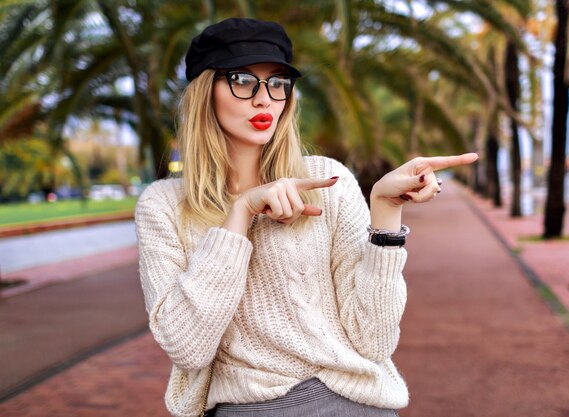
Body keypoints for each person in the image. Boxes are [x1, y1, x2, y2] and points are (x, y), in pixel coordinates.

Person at [135, 17, 477, 417]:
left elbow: (375, 342)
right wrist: (241, 213)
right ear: (203, 93)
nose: (265, 99)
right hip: (249, 408)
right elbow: (187, 347)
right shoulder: (162, 206)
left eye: (278, 83)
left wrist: (386, 209)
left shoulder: (324, 180)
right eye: (243, 80)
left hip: (356, 404)